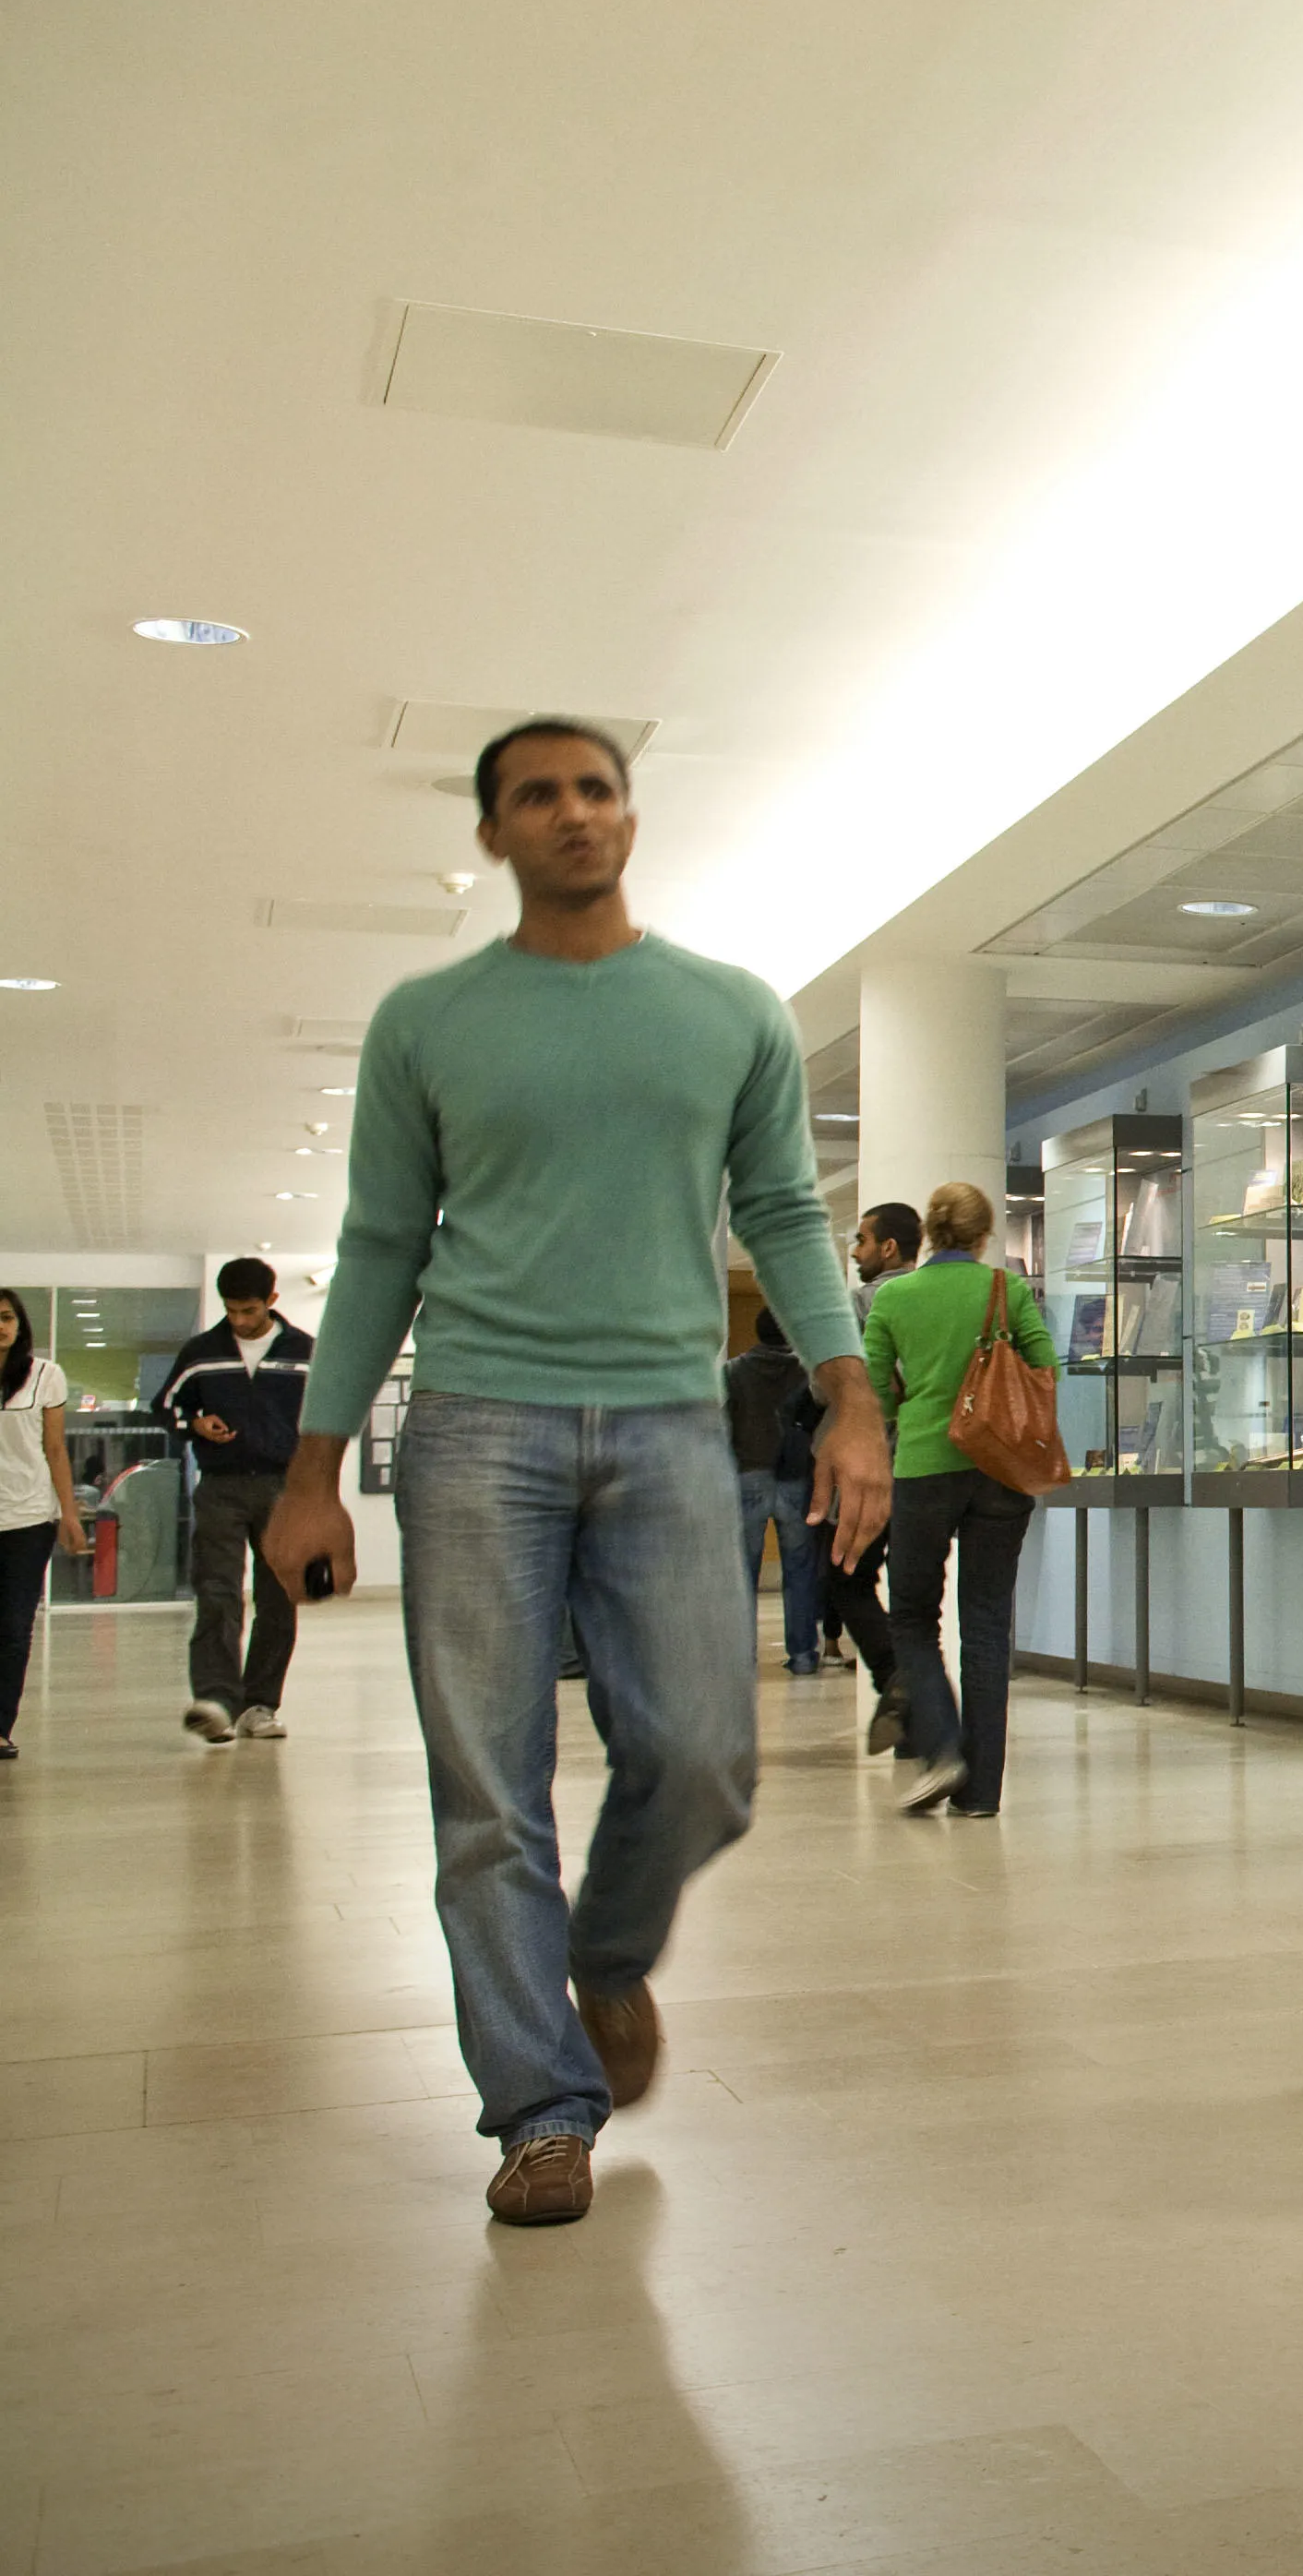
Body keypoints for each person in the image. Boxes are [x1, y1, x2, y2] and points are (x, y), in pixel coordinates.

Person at [259, 715, 889, 2231]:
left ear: (628, 816)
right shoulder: (431, 1021)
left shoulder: (724, 1010)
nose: (570, 812)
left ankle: (608, 1954)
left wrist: (852, 1394)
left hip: (673, 1422)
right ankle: (541, 2108)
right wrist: (313, 1467)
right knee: (486, 1787)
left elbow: (790, 1214)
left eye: (594, 788)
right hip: (477, 1421)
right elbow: (378, 1251)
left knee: (702, 1756)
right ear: (492, 836)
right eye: (534, 795)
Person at [861, 1179, 1055, 1816]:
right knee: (988, 1622)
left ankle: (942, 1748)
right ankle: (982, 1794)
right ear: (982, 1234)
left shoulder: (895, 1297)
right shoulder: (1007, 1291)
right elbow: (1047, 1366)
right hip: (999, 1467)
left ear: (931, 1232)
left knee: (912, 1616)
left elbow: (876, 1392)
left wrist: (915, 1404)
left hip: (923, 1466)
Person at [158, 1257, 311, 1742]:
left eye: (249, 1310)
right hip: (220, 1487)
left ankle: (259, 1705)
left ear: (271, 1301)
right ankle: (216, 1702)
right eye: (231, 1311)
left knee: (278, 1600)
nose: (240, 1321)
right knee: (217, 1593)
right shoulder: (203, 1351)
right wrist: (194, 1424)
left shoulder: (305, 1352)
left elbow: (326, 1414)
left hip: (283, 1489)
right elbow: (166, 1406)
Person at [831, 1200, 920, 1748]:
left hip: (878, 1458)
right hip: (930, 1460)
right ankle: (917, 1716)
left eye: (861, 1241)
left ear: (888, 1247)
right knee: (916, 1597)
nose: (856, 1252)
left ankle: (895, 1677)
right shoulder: (931, 1296)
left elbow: (849, 1382)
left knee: (843, 1575)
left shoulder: (866, 1302)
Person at [0, 1289, 92, 1758]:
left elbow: (55, 1449)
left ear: (20, 1325)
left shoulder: (44, 1376)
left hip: (28, 1517)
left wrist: (69, 1513)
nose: (1, 1327)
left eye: (6, 1318)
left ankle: (0, 1726)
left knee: (14, 1626)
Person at [722, 1311, 824, 1674]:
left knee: (742, 1573)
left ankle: (741, 1659)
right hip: (795, 1477)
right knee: (799, 1569)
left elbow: (724, 1426)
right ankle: (803, 1655)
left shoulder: (734, 1372)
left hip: (749, 1475)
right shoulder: (808, 1371)